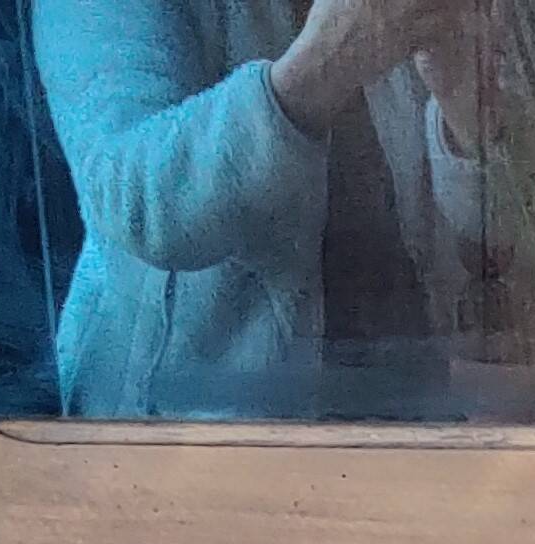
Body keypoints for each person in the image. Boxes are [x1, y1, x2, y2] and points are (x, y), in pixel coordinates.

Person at [32, 0, 489, 418]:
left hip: (414, 427)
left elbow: (493, 252)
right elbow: (142, 204)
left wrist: (466, 118)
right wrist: (319, 72)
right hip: (184, 451)